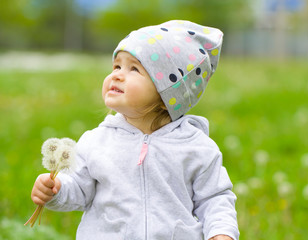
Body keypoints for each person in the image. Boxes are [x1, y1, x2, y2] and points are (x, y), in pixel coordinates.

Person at [30, 20, 240, 240]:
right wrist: (57, 189)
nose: (117, 75)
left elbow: (214, 198)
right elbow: (79, 189)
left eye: (134, 69)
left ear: (167, 94)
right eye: (117, 66)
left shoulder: (196, 147)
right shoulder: (96, 141)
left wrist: (221, 233)